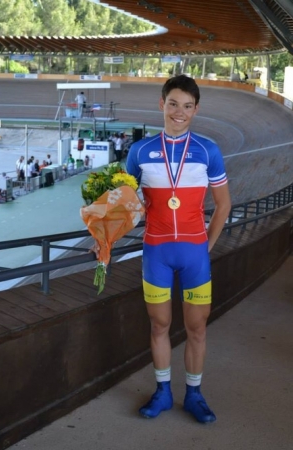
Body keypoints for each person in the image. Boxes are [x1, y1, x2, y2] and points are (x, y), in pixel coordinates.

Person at [125, 75, 231, 423]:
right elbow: (124, 203)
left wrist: (206, 245)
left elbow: (223, 205)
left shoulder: (207, 150)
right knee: (159, 325)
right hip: (156, 251)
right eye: (173, 104)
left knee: (197, 328)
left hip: (193, 255)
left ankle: (195, 395)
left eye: (187, 106)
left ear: (196, 110)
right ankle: (163, 391)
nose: (179, 112)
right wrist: (105, 232)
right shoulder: (139, 151)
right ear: (162, 104)